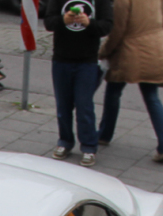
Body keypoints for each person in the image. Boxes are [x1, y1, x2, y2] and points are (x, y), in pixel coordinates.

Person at [96, 0, 163, 163]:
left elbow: (118, 30)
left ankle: (105, 134)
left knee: (113, 91)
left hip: (131, 50)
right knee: (152, 97)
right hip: (157, 46)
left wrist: (104, 51)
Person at [43, 0, 113, 167]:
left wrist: (89, 23)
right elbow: (48, 22)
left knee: (84, 105)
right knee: (63, 106)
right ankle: (65, 141)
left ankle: (89, 146)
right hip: (61, 59)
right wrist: (63, 20)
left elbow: (107, 25)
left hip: (87, 61)